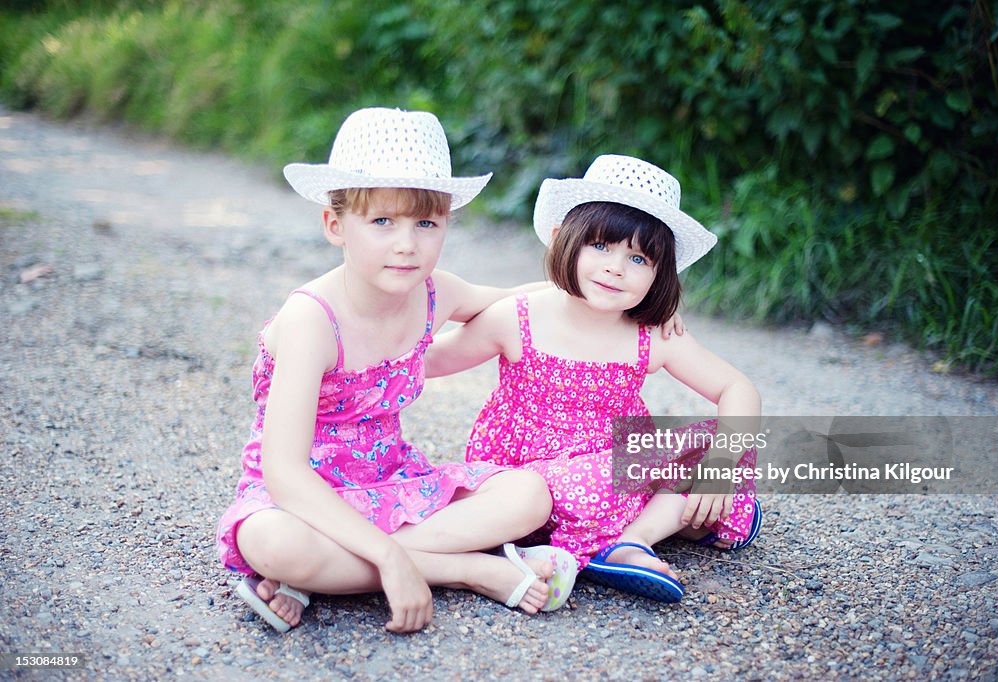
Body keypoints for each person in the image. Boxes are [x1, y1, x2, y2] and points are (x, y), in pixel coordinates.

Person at [216, 107, 578, 635]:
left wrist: (604, 295)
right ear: (335, 224)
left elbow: (515, 302)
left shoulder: (434, 293)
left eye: (426, 223)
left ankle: (328, 575)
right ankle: (463, 570)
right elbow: (285, 474)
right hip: (305, 496)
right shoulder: (311, 320)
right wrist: (391, 560)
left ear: (446, 225)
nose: (406, 243)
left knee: (529, 494)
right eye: (382, 221)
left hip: (392, 481)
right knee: (272, 543)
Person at [426, 154, 764, 603]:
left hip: (617, 470)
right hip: (529, 482)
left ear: (660, 274)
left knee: (726, 446)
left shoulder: (652, 335)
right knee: (602, 485)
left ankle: (632, 541)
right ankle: (658, 526)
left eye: (638, 257)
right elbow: (430, 362)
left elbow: (736, 388)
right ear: (562, 240)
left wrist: (720, 467)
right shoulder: (517, 318)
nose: (616, 267)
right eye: (601, 246)